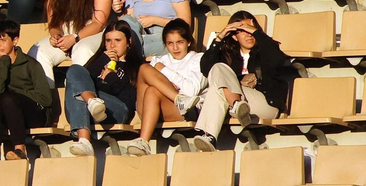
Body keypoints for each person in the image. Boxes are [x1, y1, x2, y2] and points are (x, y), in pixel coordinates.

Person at [195, 12, 293, 149]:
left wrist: (257, 33)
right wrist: (220, 37)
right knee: (217, 70)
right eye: (243, 31)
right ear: (234, 36)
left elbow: (277, 60)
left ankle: (210, 132)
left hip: (265, 103)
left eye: (250, 29)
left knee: (216, 90)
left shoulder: (266, 49)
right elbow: (206, 68)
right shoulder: (229, 55)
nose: (248, 34)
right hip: (241, 105)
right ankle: (233, 108)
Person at [64, 21, 143, 157]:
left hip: (117, 111)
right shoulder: (99, 61)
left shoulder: (136, 65)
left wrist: (110, 78)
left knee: (78, 90)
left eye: (118, 40)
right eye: (108, 41)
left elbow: (129, 98)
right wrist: (102, 60)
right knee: (75, 70)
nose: (112, 45)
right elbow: (82, 77)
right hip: (91, 112)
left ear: (129, 42)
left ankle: (84, 134)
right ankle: (85, 139)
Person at [0, 19, 55, 162]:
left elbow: (46, 99)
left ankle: (20, 150)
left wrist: (18, 95)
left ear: (15, 41)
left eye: (3, 40)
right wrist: (3, 62)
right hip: (10, 113)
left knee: (9, 99)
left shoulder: (30, 64)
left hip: (36, 114)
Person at [131, 19, 206, 155]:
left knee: (153, 89)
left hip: (187, 110)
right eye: (170, 43)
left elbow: (191, 91)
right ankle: (178, 98)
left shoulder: (199, 59)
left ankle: (143, 140)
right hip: (151, 107)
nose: (175, 48)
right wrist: (167, 84)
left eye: (180, 42)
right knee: (144, 68)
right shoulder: (158, 60)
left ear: (188, 42)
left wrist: (164, 71)